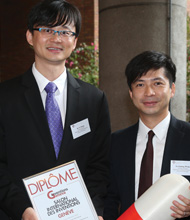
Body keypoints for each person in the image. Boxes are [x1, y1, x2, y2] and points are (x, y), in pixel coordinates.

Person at [0, 0, 111, 220]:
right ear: (30, 36)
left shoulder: (93, 99)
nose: (56, 38)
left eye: (65, 32)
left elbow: (99, 165)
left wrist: (93, 210)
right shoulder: (4, 97)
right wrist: (23, 210)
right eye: (47, 30)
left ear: (75, 41)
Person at [103, 51, 190, 220]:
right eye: (140, 85)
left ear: (172, 89)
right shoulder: (117, 143)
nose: (149, 92)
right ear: (131, 93)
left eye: (157, 83)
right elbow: (109, 198)